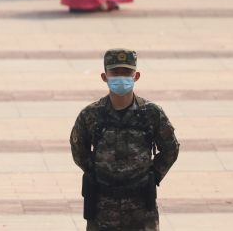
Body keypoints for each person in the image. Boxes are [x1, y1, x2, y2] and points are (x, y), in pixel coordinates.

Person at [70, 49, 179, 231]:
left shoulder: (151, 113)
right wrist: (97, 172)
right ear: (104, 77)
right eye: (115, 73)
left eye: (126, 72)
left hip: (141, 209)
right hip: (103, 208)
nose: (121, 77)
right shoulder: (91, 115)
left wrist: (153, 175)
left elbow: (170, 149)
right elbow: (78, 149)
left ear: (136, 76)